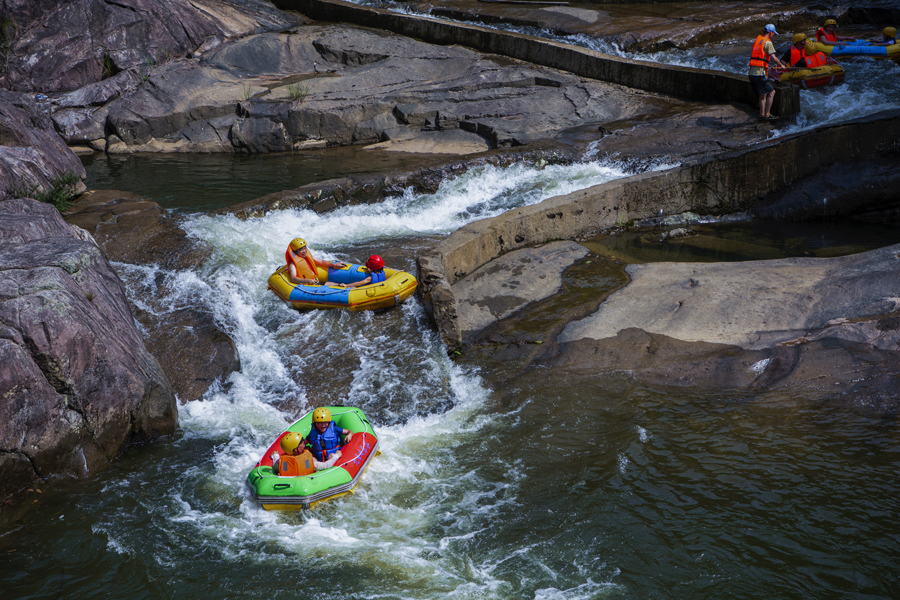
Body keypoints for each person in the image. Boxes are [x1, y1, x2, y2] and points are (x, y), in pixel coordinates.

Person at [749, 24, 787, 121]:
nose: (773, 35)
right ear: (770, 33)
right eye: (773, 33)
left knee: (763, 94)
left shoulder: (758, 40)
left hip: (752, 73)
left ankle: (762, 114)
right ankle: (767, 114)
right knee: (771, 92)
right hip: (760, 73)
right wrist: (781, 65)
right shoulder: (768, 43)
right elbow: (774, 58)